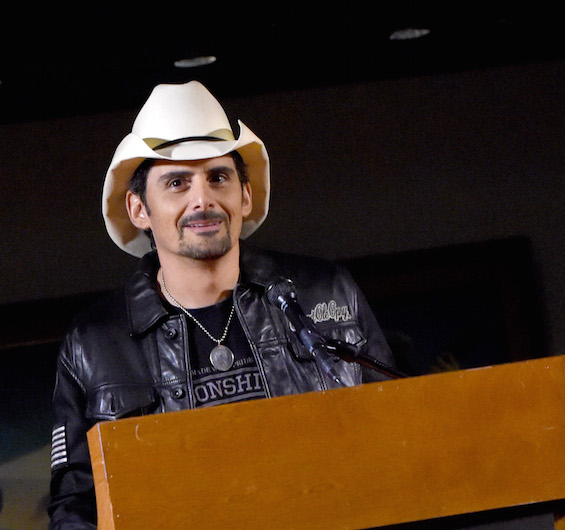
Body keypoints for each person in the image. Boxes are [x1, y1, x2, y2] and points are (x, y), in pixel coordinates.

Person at [48, 81, 396, 527]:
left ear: (245, 195)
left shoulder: (323, 291)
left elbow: (395, 437)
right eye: (177, 183)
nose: (203, 199)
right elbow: (75, 508)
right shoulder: (94, 342)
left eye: (218, 177)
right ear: (139, 210)